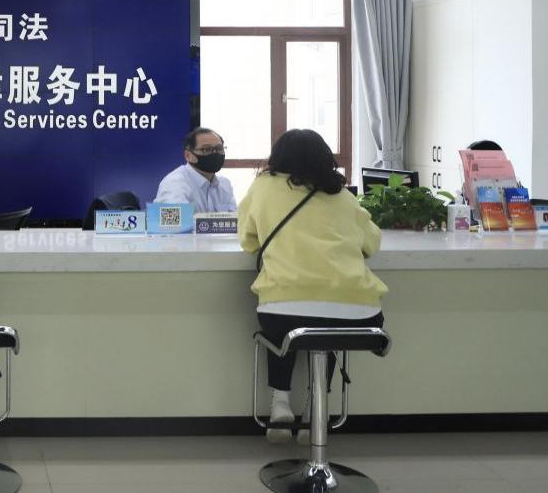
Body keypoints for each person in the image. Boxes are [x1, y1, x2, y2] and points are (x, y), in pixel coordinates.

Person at [238, 129, 387, 444]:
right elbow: (372, 243)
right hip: (358, 313)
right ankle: (315, 410)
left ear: (277, 157)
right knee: (328, 333)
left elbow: (248, 239)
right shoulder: (342, 195)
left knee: (284, 328)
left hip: (283, 307)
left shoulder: (263, 186)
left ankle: (280, 403)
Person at [153, 127, 237, 212]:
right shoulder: (174, 184)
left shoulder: (225, 184)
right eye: (206, 149)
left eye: (219, 149)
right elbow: (174, 220)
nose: (215, 153)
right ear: (188, 155)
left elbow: (235, 218)